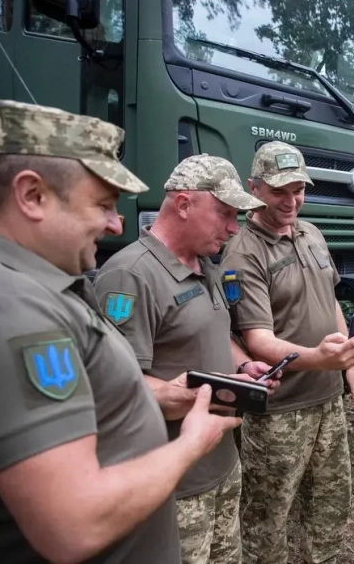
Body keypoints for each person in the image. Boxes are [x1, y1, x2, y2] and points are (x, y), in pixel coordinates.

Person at [0, 100, 241, 563]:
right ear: (32, 196)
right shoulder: (17, 309)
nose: (116, 223)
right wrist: (190, 444)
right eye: (103, 204)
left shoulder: (47, 289)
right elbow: (73, 523)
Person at [91, 154, 278, 564]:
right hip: (175, 485)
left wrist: (242, 366)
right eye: (225, 214)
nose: (233, 228)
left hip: (222, 464)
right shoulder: (130, 276)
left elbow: (214, 331)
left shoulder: (204, 264)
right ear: (183, 204)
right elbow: (119, 388)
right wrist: (203, 393)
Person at [220, 141, 354, 564]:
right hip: (279, 410)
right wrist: (322, 359)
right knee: (267, 519)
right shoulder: (244, 251)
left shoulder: (311, 233)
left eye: (298, 190)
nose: (291, 201)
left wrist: (349, 365)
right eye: (279, 192)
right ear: (254, 188)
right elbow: (258, 340)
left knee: (329, 505)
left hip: (327, 400)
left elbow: (330, 304)